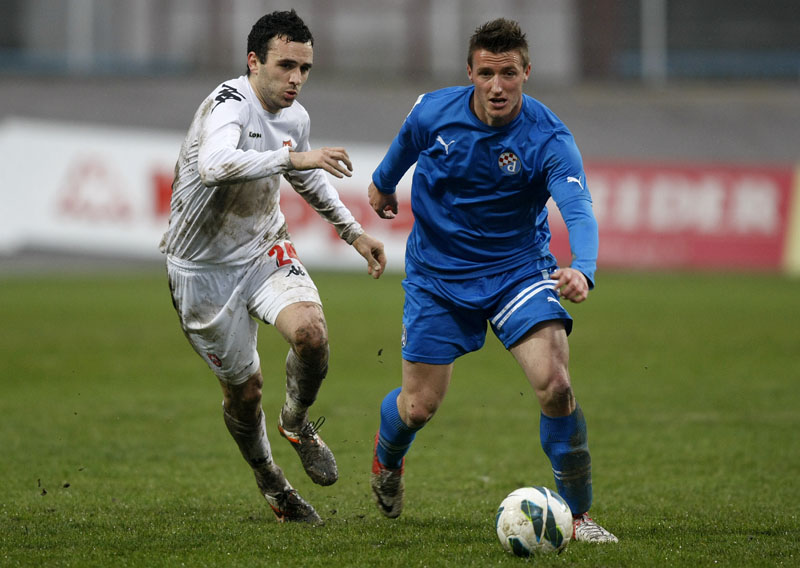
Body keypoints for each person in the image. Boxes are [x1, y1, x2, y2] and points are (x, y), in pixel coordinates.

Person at [367, 18, 617, 543]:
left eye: (508, 73)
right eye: (487, 74)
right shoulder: (434, 111)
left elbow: (578, 208)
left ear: (527, 71)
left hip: (516, 272)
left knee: (555, 384)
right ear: (471, 74)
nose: (498, 86)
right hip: (437, 275)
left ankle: (579, 517)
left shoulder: (549, 137)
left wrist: (584, 269)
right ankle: (387, 461)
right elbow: (399, 154)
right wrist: (383, 186)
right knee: (417, 407)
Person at [160, 10, 386, 525]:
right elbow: (215, 166)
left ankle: (296, 422)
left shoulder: (295, 116)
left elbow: (306, 177)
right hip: (201, 272)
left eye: (305, 69)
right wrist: (293, 160)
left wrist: (352, 232)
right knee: (245, 393)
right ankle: (271, 480)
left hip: (262, 247)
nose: (296, 80)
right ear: (253, 61)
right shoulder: (229, 104)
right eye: (286, 66)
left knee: (311, 334)